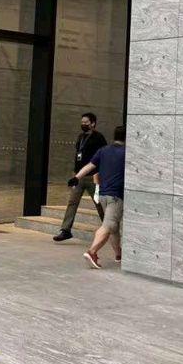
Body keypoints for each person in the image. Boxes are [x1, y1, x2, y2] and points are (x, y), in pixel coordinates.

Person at [68, 125, 125, 269]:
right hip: (116, 195)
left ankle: (119, 254)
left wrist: (76, 178)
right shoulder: (126, 152)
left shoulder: (103, 150)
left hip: (103, 195)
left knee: (114, 228)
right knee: (109, 225)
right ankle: (92, 252)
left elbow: (90, 166)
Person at [53, 112, 106, 241]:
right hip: (79, 176)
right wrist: (75, 174)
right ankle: (65, 230)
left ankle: (108, 227)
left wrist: (100, 174)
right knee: (72, 202)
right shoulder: (80, 137)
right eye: (82, 122)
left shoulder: (99, 138)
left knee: (99, 203)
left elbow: (103, 157)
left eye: (86, 123)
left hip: (93, 176)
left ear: (93, 123)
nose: (83, 124)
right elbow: (78, 155)